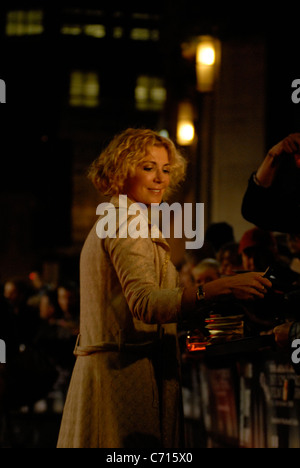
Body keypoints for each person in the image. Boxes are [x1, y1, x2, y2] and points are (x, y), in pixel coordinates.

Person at [57, 128, 272, 449]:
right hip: (125, 383)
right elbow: (146, 304)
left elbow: (135, 311)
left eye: (166, 169)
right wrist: (220, 288)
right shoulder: (126, 224)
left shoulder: (115, 219)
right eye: (148, 167)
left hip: (114, 376)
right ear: (121, 169)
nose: (160, 178)